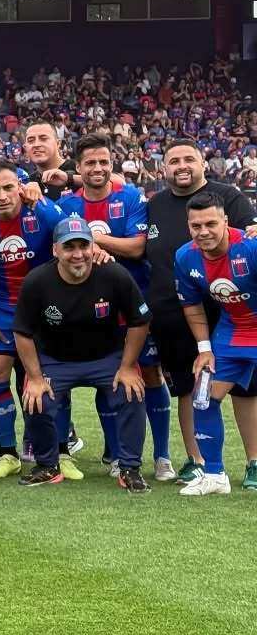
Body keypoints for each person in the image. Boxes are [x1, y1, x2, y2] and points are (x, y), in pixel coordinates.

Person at [144, 138, 256, 484]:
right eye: (173, 160)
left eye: (188, 159)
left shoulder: (231, 200)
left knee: (247, 390)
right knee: (193, 390)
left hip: (234, 317)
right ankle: (202, 464)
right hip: (179, 316)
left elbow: (249, 232)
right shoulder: (156, 206)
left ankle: (253, 462)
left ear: (202, 163)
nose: (181, 166)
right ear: (163, 168)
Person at [57, 135, 169, 479]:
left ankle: (162, 456)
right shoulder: (66, 205)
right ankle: (116, 453)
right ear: (78, 168)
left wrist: (91, 240)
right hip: (91, 309)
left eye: (104, 162)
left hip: (134, 302)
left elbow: (137, 247)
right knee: (110, 375)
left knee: (150, 373)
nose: (98, 168)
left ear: (112, 165)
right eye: (90, 162)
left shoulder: (131, 198)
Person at [12, 217, 150, 491]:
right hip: (56, 359)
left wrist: (127, 366)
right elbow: (22, 332)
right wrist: (35, 377)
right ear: (55, 250)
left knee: (132, 390)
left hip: (107, 357)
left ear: (92, 246)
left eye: (83, 246)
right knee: (34, 396)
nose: (78, 254)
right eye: (69, 247)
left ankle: (129, 469)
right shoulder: (37, 281)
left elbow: (139, 320)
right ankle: (48, 465)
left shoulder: (114, 274)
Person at [0, 159, 66, 479]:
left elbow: (73, 250)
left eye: (9, 187)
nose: (3, 195)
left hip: (45, 307)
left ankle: (46, 445)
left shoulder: (43, 212)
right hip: (3, 309)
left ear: (19, 186)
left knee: (51, 377)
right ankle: (6, 451)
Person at [174, 192, 257, 496]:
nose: (203, 231)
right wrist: (204, 348)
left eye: (210, 223)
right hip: (232, 332)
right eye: (196, 226)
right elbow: (192, 304)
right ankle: (214, 475)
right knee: (203, 395)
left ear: (225, 221)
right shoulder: (185, 257)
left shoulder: (250, 246)